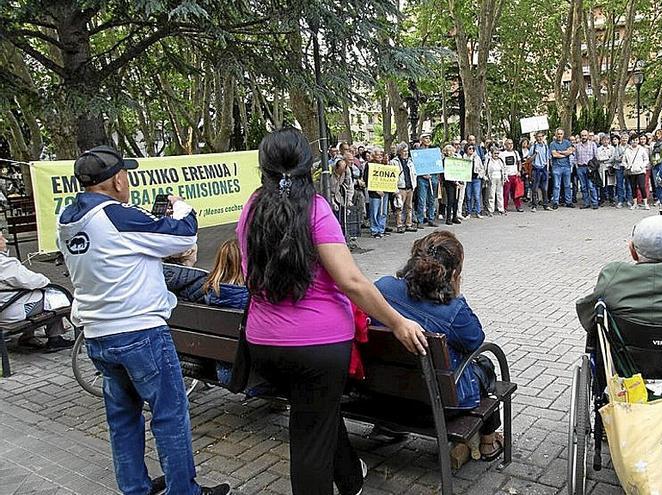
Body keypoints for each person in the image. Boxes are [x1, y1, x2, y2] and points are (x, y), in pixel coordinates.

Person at [236, 128, 427, 495]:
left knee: (316, 415)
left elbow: (248, 272)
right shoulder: (316, 208)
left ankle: (351, 478)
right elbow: (351, 282)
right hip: (318, 347)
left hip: (263, 343)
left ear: (264, 167)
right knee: (309, 437)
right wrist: (398, 321)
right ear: (309, 166)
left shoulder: (252, 207)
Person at [57, 146, 227, 495]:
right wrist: (183, 208)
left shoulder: (68, 219)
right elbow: (183, 236)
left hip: (98, 334)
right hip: (140, 332)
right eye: (126, 174)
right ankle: (184, 490)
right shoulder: (116, 217)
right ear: (117, 179)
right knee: (169, 415)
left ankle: (135, 487)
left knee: (122, 418)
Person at [374, 231, 505, 460]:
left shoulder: (382, 288)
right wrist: (458, 295)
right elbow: (475, 341)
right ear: (453, 273)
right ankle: (488, 442)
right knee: (484, 365)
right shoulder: (454, 311)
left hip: (381, 397)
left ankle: (389, 426)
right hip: (433, 408)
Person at [0, 232, 73, 352]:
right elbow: (33, 281)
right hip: (8, 313)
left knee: (33, 297)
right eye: (2, 238)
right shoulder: (5, 264)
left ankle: (28, 337)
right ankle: (55, 338)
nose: (6, 241)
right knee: (56, 296)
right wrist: (44, 280)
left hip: (4, 307)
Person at [390, 143, 418, 234]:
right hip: (401, 187)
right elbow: (392, 177)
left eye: (407, 151)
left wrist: (414, 185)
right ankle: (399, 225)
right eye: (404, 151)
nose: (406, 153)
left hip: (410, 187)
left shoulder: (410, 161)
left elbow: (414, 174)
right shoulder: (394, 162)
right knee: (399, 207)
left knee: (409, 207)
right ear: (399, 152)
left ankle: (408, 224)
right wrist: (395, 190)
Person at [414, 134, 440, 228]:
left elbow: (437, 164)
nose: (428, 139)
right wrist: (422, 174)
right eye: (426, 138)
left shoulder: (433, 151)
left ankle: (431, 218)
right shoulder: (418, 152)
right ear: (421, 140)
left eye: (429, 138)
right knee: (422, 199)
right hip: (422, 178)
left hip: (433, 177)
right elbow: (416, 165)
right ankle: (420, 220)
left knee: (431, 199)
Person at [548, 128, 574, 209]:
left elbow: (570, 152)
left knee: (567, 185)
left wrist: (560, 152)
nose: (559, 135)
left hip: (566, 166)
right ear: (556, 134)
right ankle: (555, 202)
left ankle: (568, 201)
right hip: (556, 167)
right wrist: (565, 153)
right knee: (556, 185)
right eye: (558, 134)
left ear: (563, 134)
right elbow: (554, 155)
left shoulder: (567, 142)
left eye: (561, 134)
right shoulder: (552, 144)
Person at [363, 160, 390, 239]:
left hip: (385, 192)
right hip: (374, 193)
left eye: (381, 154)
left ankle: (381, 229)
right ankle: (374, 230)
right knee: (375, 212)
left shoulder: (384, 164)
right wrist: (375, 190)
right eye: (378, 155)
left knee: (383, 212)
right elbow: (367, 179)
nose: (380, 156)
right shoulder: (369, 165)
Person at [622, 135, 650, 210]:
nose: (635, 141)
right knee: (633, 187)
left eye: (636, 140)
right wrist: (626, 166)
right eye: (633, 140)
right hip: (631, 172)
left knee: (642, 187)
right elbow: (623, 161)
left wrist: (642, 166)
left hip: (640, 171)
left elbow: (646, 159)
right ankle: (635, 203)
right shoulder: (627, 150)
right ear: (630, 141)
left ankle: (645, 203)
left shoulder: (642, 149)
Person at [574, 129, 600, 209]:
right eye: (582, 135)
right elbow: (575, 158)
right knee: (583, 186)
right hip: (580, 168)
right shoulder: (577, 146)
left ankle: (595, 203)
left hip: (590, 169)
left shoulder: (592, 144)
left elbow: (596, 157)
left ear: (588, 136)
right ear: (580, 136)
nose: (584, 137)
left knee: (591, 186)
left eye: (585, 135)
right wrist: (577, 167)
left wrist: (594, 168)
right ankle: (586, 203)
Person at [499, 139, 523, 212]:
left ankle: (518, 206)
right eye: (508, 144)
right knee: (505, 193)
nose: (510, 145)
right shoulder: (502, 154)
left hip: (514, 175)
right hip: (507, 176)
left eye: (511, 143)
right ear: (505, 145)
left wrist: (519, 171)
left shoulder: (515, 153)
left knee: (516, 192)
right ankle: (504, 207)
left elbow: (519, 162)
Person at [529, 132, 551, 211]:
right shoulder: (533, 147)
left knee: (544, 188)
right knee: (535, 188)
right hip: (536, 169)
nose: (540, 138)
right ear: (536, 138)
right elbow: (529, 159)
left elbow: (548, 158)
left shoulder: (546, 146)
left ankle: (545, 205)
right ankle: (534, 206)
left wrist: (548, 169)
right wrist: (535, 154)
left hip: (544, 169)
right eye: (538, 137)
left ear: (543, 137)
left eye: (541, 136)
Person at [441, 145, 462, 226]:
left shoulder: (456, 159)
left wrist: (459, 181)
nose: (451, 152)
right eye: (449, 151)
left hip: (457, 182)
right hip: (449, 182)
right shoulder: (445, 160)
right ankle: (448, 218)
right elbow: (446, 173)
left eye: (452, 151)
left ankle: (455, 217)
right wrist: (454, 182)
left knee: (456, 200)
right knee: (450, 200)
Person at [463, 144, 485, 218]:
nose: (471, 150)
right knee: (468, 196)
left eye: (473, 148)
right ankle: (468, 212)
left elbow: (482, 168)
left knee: (477, 196)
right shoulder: (464, 157)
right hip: (468, 179)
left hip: (476, 179)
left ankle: (478, 212)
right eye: (470, 148)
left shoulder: (477, 157)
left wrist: (480, 175)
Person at [485, 147, 506, 216]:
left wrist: (505, 177)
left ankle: (501, 209)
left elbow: (504, 169)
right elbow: (485, 170)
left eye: (497, 153)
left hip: (499, 178)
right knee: (491, 195)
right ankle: (491, 210)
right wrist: (486, 178)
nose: (496, 155)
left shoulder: (501, 160)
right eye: (495, 153)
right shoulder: (488, 161)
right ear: (491, 153)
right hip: (492, 179)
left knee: (500, 194)